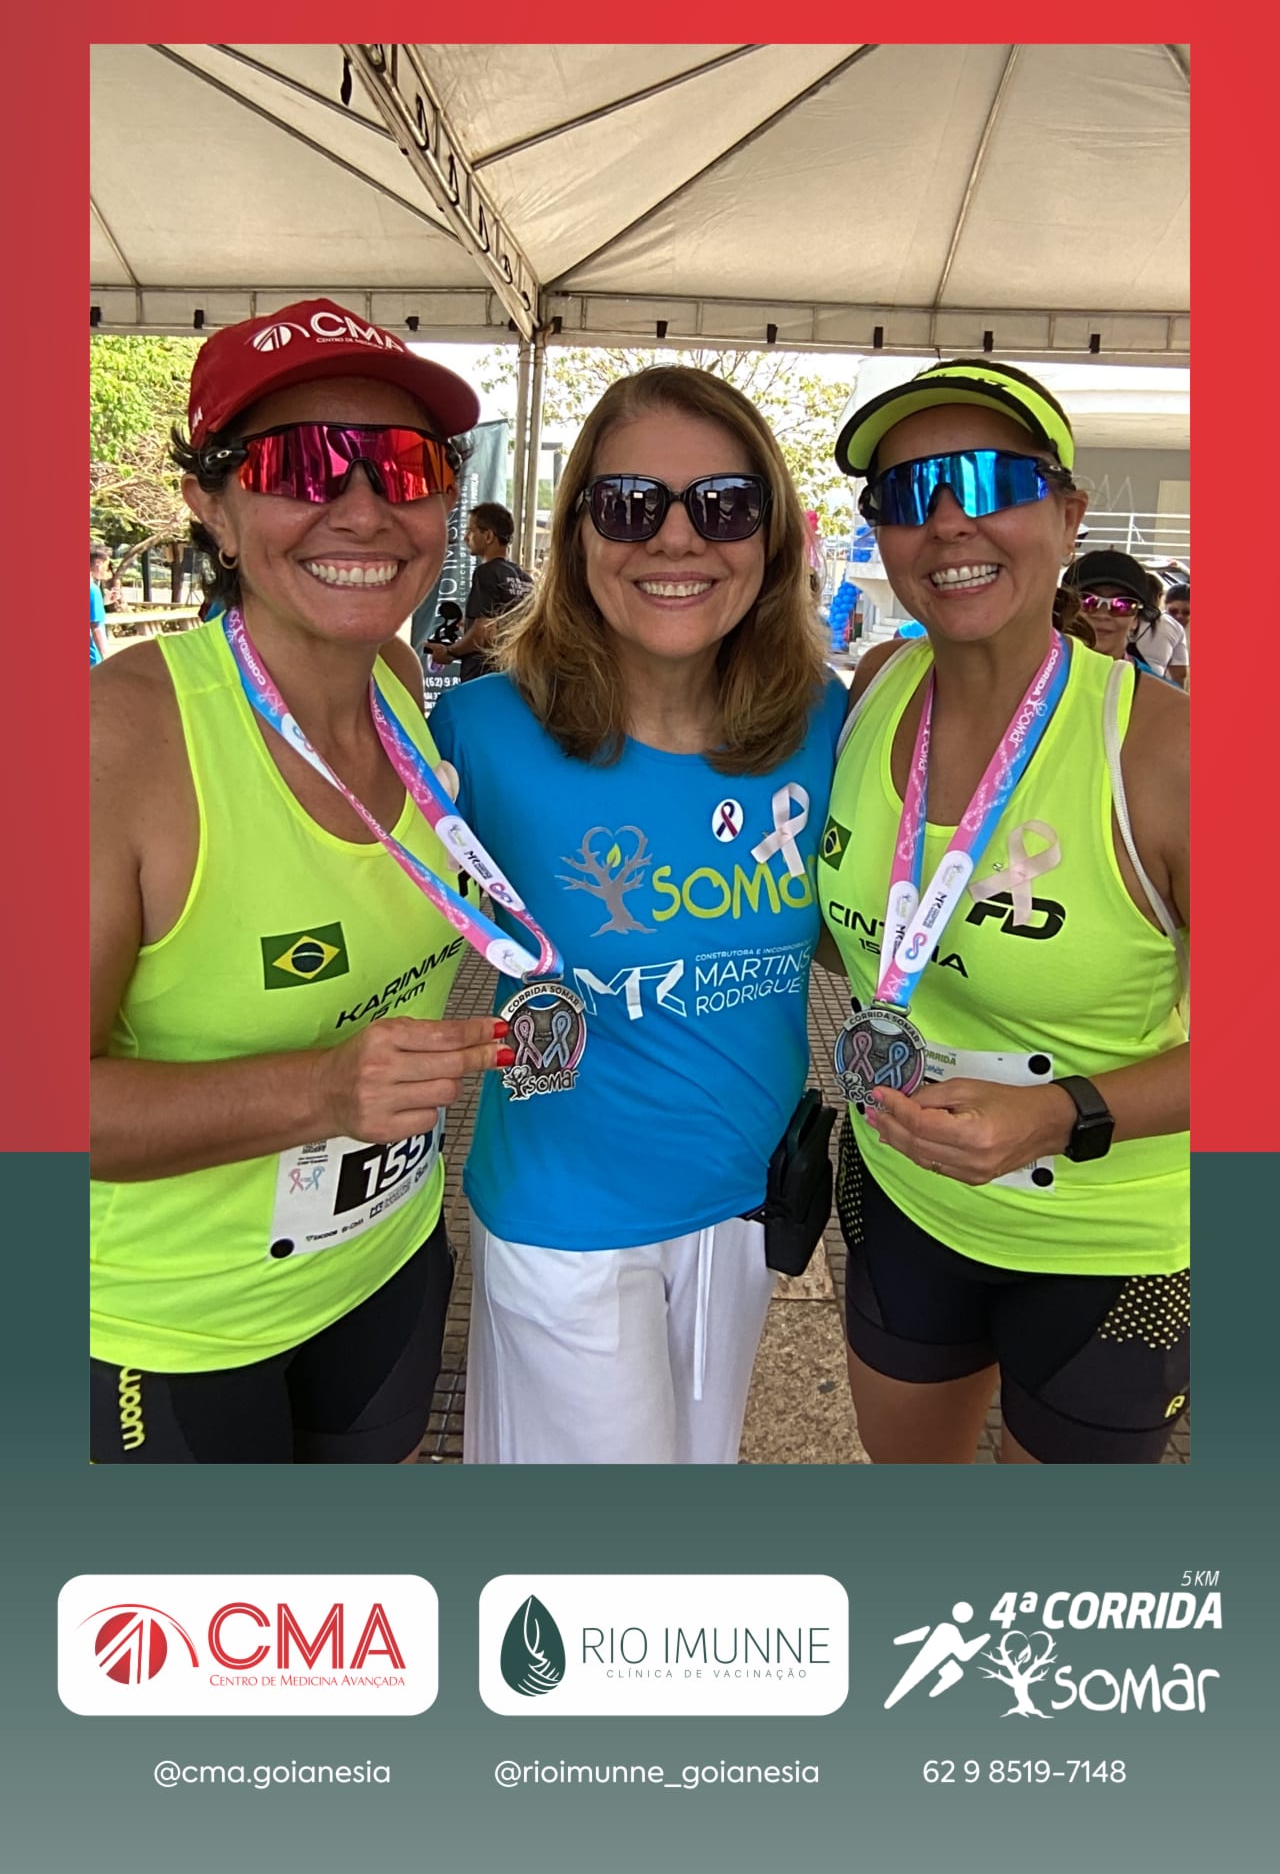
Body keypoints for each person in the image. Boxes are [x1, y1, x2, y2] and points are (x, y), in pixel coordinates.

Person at [90, 297, 518, 1464]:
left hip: (386, 1265)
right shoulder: (117, 741)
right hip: (177, 1331)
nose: (364, 508)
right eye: (302, 464)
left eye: (405, 465)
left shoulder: (394, 682)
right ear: (212, 506)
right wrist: (321, 1090)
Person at [429, 364, 846, 1464]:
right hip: (565, 1219)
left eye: (724, 506)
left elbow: (855, 936)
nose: (676, 539)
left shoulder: (823, 722)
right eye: (628, 505)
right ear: (576, 534)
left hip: (746, 1203)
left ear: (772, 537)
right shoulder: (479, 733)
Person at [820, 358, 1189, 1466]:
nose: (947, 523)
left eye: (989, 481)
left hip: (1106, 1246)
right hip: (900, 1192)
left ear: (1068, 515)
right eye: (906, 494)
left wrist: (1058, 1113)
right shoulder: (877, 684)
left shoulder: (1170, 754)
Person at [430, 500, 532, 681]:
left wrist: (449, 652)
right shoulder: (525, 579)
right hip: (515, 677)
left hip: (482, 678)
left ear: (488, 536)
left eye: (471, 531)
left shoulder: (486, 573)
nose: (465, 538)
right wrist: (469, 624)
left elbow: (483, 634)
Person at [1065, 548, 1188, 686]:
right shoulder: (1044, 673)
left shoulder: (1158, 692)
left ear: (1136, 619)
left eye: (1122, 605)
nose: (1102, 615)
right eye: (1086, 600)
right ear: (1063, 608)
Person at [90, 542, 111, 665]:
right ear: (98, 564)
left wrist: (104, 602)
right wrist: (106, 659)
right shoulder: (93, 590)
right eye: (106, 565)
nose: (107, 569)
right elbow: (95, 627)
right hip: (92, 657)